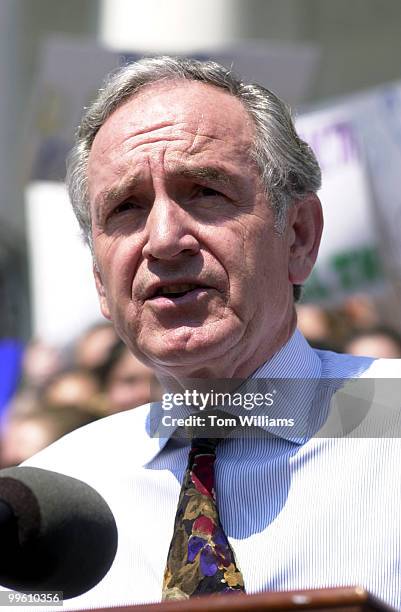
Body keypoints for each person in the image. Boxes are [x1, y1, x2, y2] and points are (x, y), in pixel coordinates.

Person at [20, 57, 401, 610]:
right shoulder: (53, 495)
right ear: (100, 281)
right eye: (126, 207)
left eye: (204, 191)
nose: (165, 239)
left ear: (298, 235)